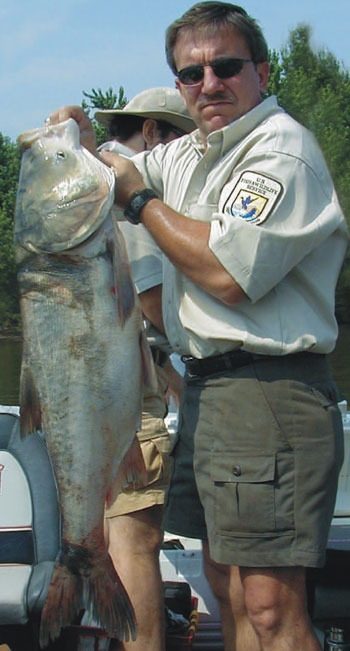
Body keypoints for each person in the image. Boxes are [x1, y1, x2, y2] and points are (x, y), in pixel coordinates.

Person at [48, 3, 349, 650]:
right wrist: (74, 134)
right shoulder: (192, 153)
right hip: (212, 391)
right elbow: (109, 172)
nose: (208, 83)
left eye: (226, 66)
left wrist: (139, 200)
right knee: (225, 581)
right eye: (191, 73)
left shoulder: (280, 151)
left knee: (270, 604)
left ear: (262, 72)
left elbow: (225, 273)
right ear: (180, 85)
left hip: (269, 390)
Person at [95, 87, 194, 651]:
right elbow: (155, 305)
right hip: (130, 393)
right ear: (155, 134)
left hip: (103, 388)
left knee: (112, 541)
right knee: (134, 545)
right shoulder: (133, 194)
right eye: (183, 139)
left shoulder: (88, 189)